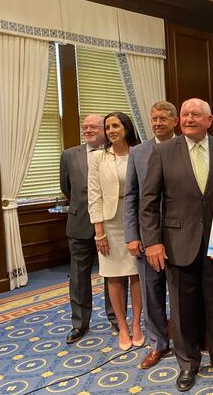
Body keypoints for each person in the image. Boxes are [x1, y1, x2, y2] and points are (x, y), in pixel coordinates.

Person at [140, 98, 213, 393]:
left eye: (195, 114)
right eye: (185, 114)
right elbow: (148, 202)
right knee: (183, 309)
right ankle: (188, 364)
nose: (188, 119)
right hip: (176, 243)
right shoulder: (162, 152)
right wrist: (153, 242)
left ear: (209, 120)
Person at [124, 101, 177, 369]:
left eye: (163, 119)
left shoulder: (186, 148)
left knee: (181, 293)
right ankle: (158, 344)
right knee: (151, 292)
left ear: (174, 122)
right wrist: (132, 235)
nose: (157, 123)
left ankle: (185, 341)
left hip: (181, 235)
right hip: (146, 237)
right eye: (154, 118)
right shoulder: (139, 152)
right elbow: (131, 195)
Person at [60, 114, 119, 344]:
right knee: (78, 277)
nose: (88, 130)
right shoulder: (68, 155)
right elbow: (67, 188)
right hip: (79, 224)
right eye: (84, 127)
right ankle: (79, 324)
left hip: (110, 223)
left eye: (93, 126)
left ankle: (115, 318)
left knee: (112, 275)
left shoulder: (116, 152)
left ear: (104, 130)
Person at [88, 111, 143, 351]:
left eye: (116, 126)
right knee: (114, 275)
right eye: (108, 127)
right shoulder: (98, 158)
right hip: (109, 223)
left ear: (127, 128)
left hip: (137, 221)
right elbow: (94, 195)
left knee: (136, 274)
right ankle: (122, 326)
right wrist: (98, 231)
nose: (111, 130)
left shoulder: (140, 153)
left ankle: (138, 324)